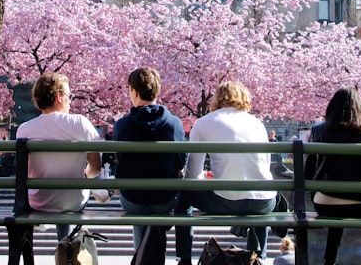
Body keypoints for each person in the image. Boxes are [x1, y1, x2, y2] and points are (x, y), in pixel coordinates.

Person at [178, 81, 276, 263]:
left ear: (217, 98)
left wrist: (207, 180)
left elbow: (192, 175)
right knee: (258, 193)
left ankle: (184, 258)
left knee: (185, 193)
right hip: (264, 202)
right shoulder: (257, 124)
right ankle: (260, 256)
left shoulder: (204, 122)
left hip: (228, 201)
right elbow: (263, 168)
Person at [303, 86, 361, 265]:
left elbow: (308, 172)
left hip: (324, 204)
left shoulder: (318, 132)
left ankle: (329, 260)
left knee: (337, 207)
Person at [15, 72, 102, 241]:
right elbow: (96, 167)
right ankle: (68, 246)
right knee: (68, 198)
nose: (70, 101)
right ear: (59, 97)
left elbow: (24, 171)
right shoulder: (80, 123)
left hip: (39, 201)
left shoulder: (25, 129)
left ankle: (64, 243)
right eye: (69, 96)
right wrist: (84, 176)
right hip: (74, 202)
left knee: (58, 196)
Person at [112, 67, 188, 256]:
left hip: (132, 198)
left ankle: (142, 255)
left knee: (139, 208)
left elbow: (120, 160)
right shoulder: (174, 123)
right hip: (165, 198)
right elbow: (180, 161)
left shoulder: (122, 125)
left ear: (134, 91)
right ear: (157, 91)